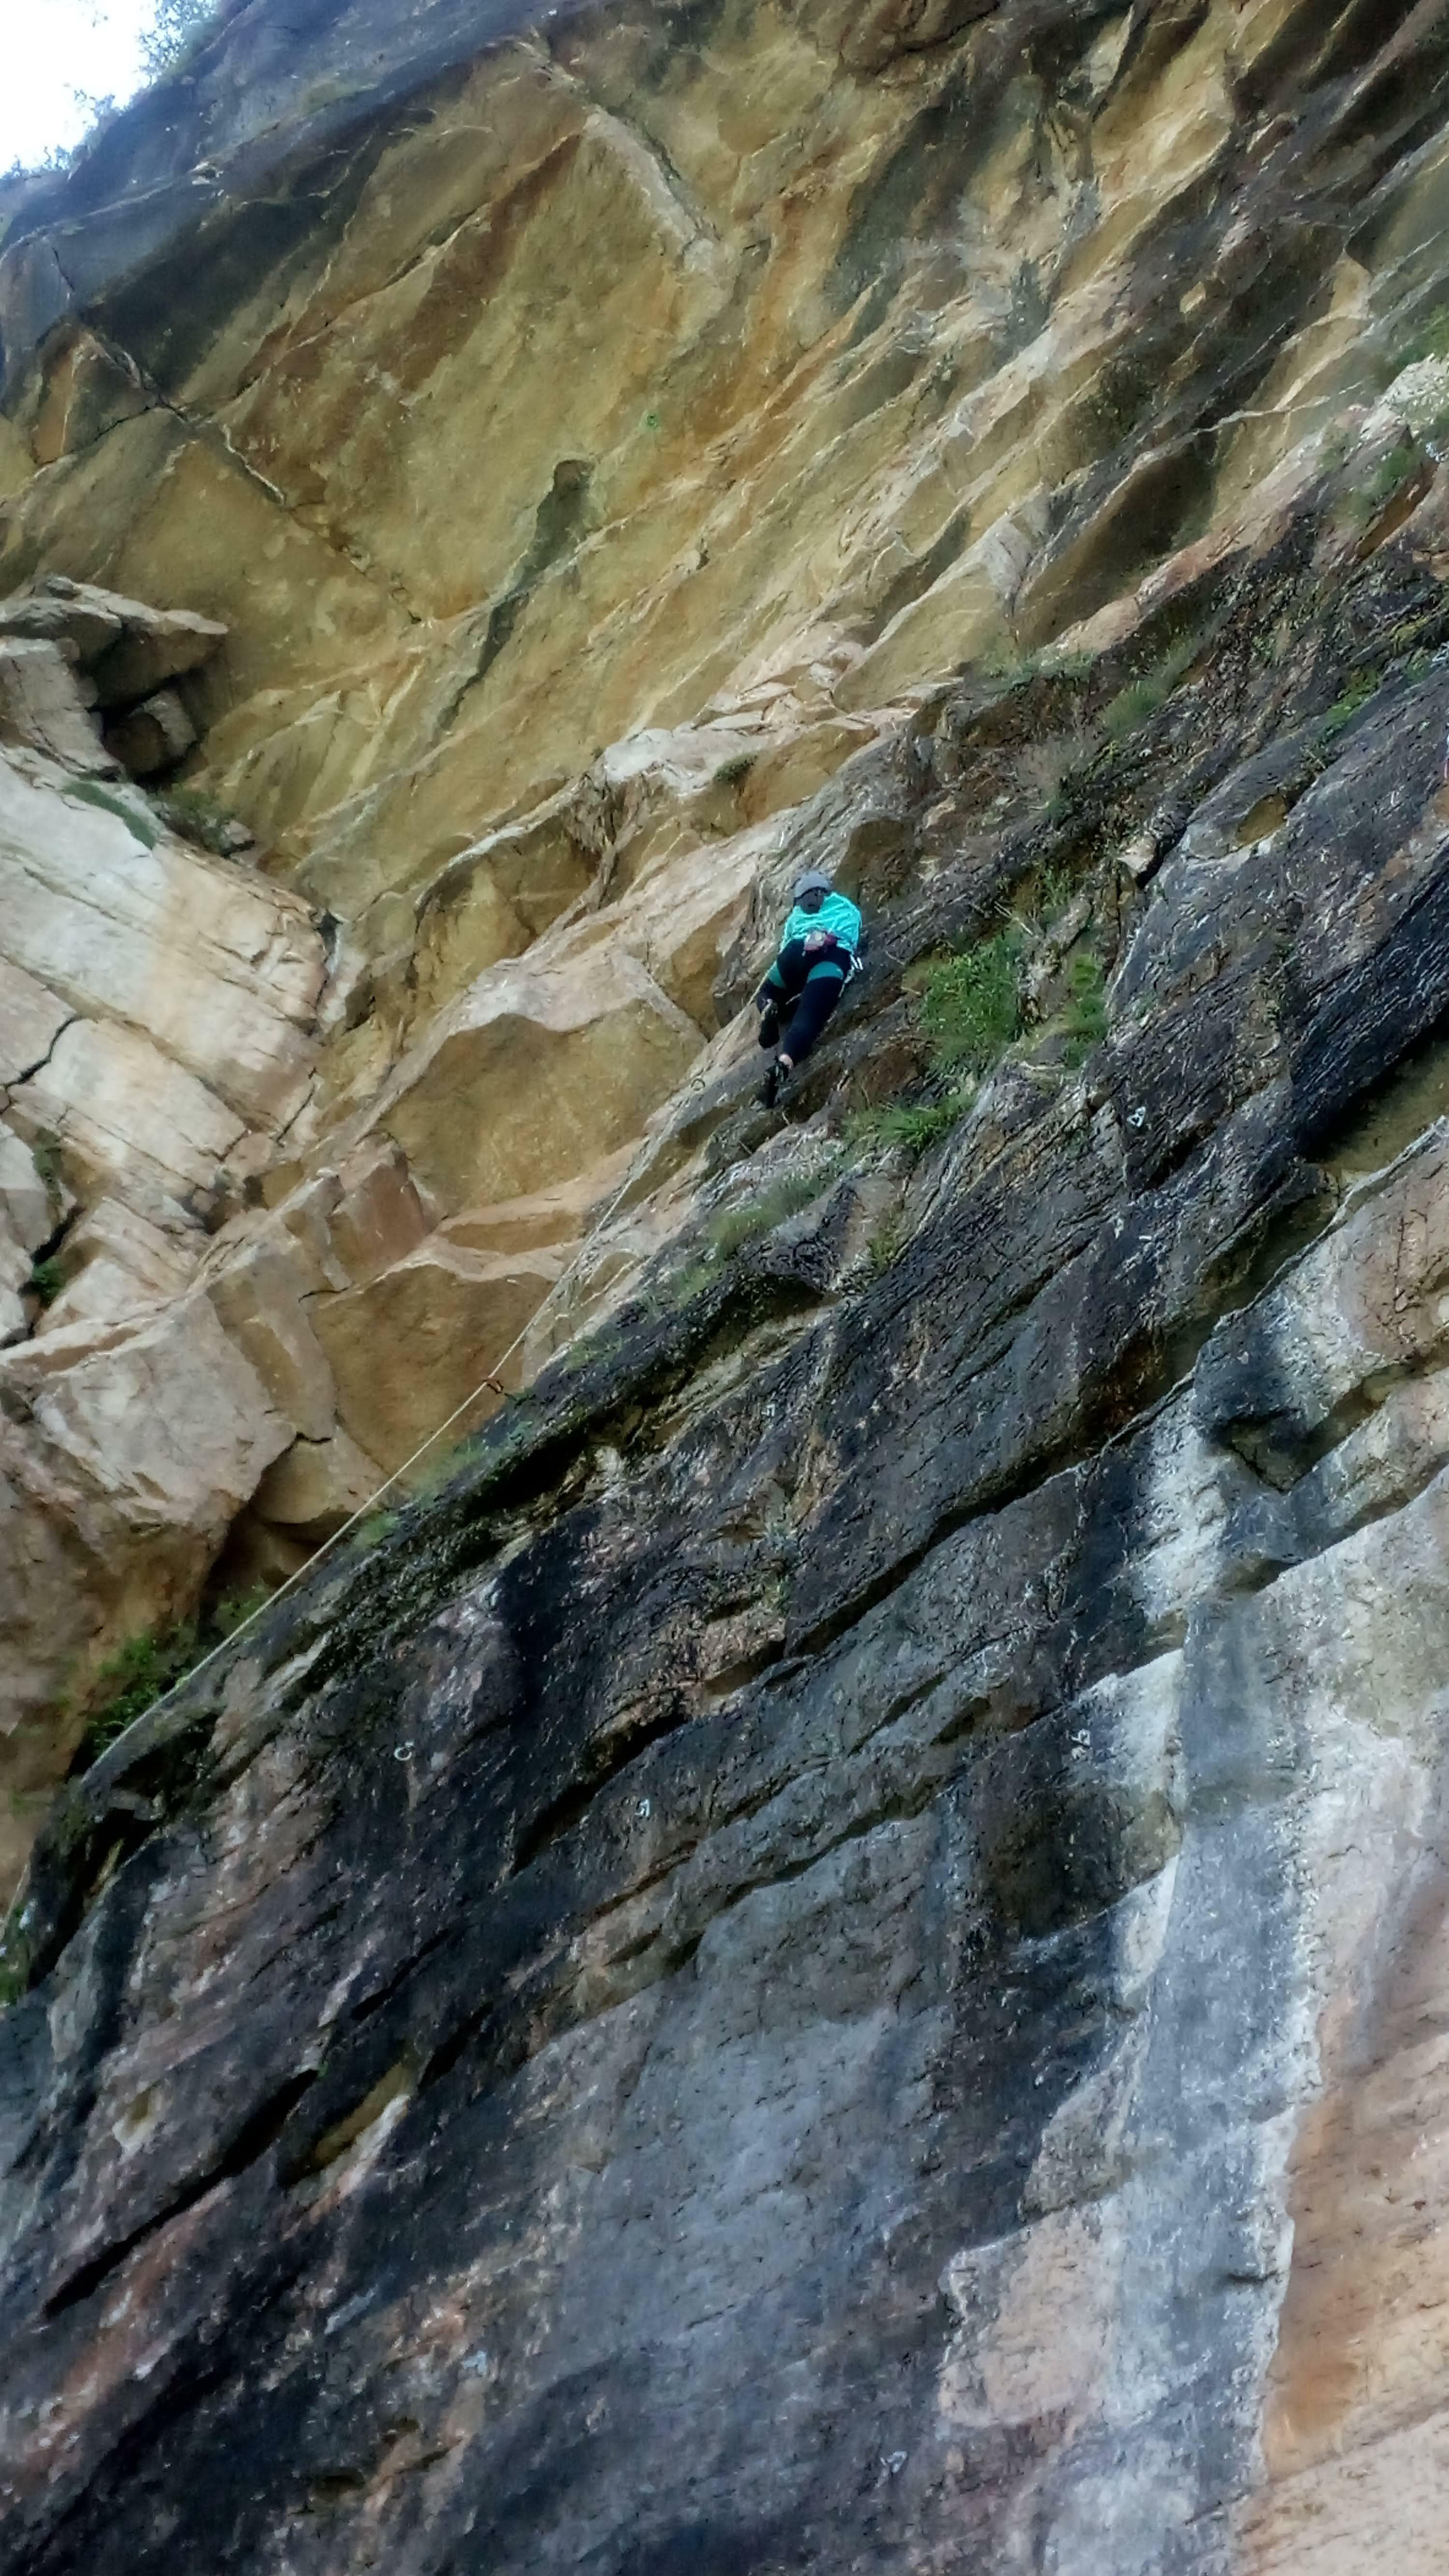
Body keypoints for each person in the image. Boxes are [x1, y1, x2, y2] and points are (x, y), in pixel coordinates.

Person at [755, 869, 863, 1107]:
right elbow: (852, 938)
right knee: (808, 1019)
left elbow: (784, 948)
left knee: (767, 992)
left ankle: (769, 1006)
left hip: (795, 951)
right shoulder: (846, 907)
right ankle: (783, 1065)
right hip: (831, 956)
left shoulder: (796, 916)